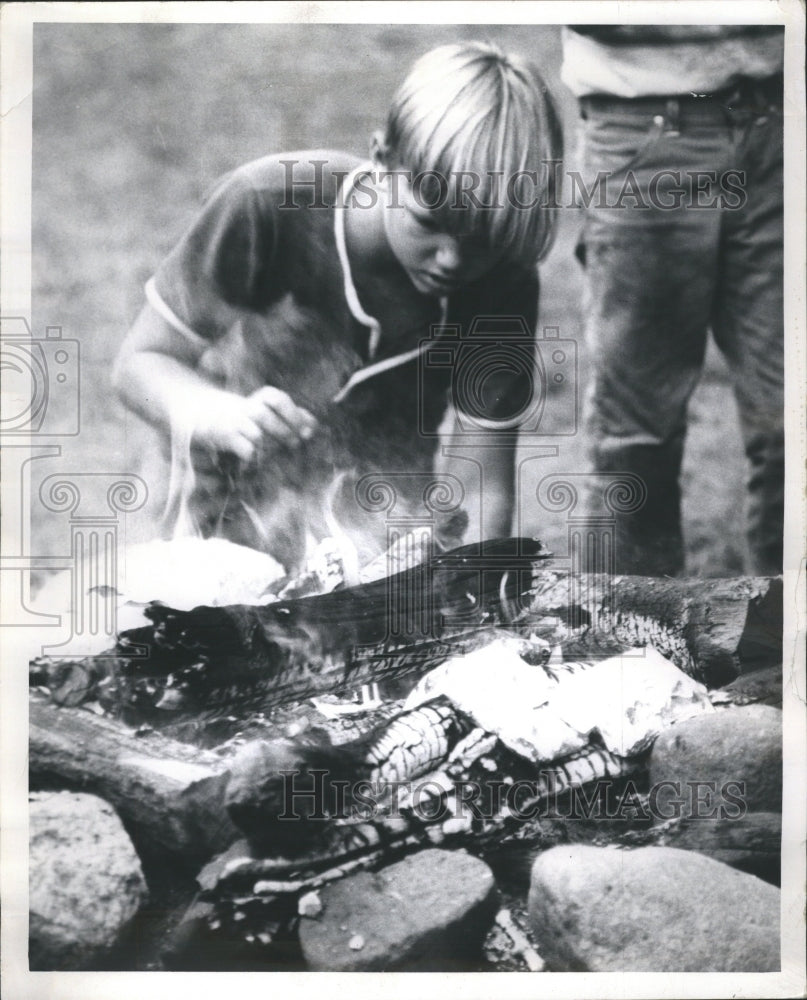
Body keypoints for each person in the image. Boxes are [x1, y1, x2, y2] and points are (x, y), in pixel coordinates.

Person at [113, 41, 562, 572]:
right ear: (382, 157)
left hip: (375, 538)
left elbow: (481, 481)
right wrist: (213, 411)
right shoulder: (267, 208)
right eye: (429, 223)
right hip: (212, 519)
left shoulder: (503, 280)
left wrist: (475, 593)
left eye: (482, 239)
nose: (453, 260)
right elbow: (139, 364)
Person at [561, 25, 784, 576]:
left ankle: (783, 639)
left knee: (792, 420)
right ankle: (629, 651)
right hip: (647, 131)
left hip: (780, 114)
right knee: (637, 439)